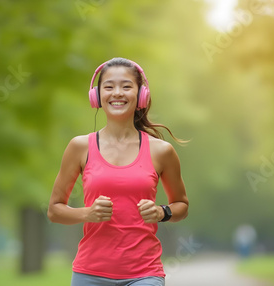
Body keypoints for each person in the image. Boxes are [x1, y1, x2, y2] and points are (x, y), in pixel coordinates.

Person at [47, 57, 189, 286]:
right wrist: (87, 213)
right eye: (109, 86)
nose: (117, 93)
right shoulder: (79, 147)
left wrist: (162, 212)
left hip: (145, 273)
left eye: (126, 86)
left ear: (141, 95)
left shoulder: (162, 151)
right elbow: (54, 210)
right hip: (90, 273)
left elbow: (181, 205)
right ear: (97, 96)